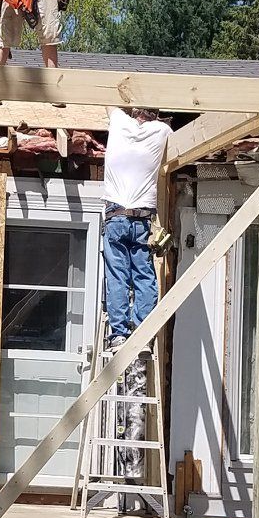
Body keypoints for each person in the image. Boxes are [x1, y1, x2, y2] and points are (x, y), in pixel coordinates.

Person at [100, 106, 170, 344]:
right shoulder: (162, 130)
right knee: (144, 275)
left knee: (117, 276)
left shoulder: (119, 122)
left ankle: (119, 334)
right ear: (155, 115)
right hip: (141, 221)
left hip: (116, 215)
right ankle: (143, 332)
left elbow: (111, 104)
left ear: (135, 112)